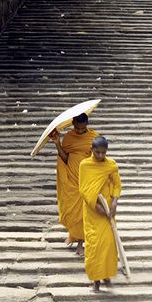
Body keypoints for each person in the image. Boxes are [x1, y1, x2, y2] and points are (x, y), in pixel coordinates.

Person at [50, 113, 99, 256]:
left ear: (87, 125)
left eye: (82, 129)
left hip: (86, 179)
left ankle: (80, 244)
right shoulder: (69, 138)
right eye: (77, 128)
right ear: (73, 124)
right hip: (71, 179)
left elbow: (98, 159)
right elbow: (64, 158)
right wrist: (57, 143)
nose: (79, 131)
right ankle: (73, 235)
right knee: (72, 211)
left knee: (84, 212)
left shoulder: (93, 137)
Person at [79, 136, 122, 292]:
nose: (100, 156)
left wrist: (115, 202)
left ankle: (107, 276)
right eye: (97, 152)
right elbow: (83, 190)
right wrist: (98, 208)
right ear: (92, 150)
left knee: (109, 244)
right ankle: (96, 280)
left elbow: (117, 184)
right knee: (93, 245)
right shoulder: (85, 165)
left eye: (103, 153)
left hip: (108, 208)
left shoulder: (111, 165)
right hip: (92, 210)